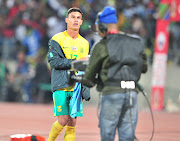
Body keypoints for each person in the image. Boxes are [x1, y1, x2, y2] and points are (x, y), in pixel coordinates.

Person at [73, 6, 148, 141]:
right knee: (128, 136)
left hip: (112, 94)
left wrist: (75, 77)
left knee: (107, 135)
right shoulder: (136, 42)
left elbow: (89, 78)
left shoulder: (101, 46)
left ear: (102, 27)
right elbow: (144, 68)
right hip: (132, 94)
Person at [47, 7, 90, 141]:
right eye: (72, 17)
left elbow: (85, 68)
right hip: (61, 84)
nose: (75, 20)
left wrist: (86, 88)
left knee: (72, 122)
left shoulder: (84, 43)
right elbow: (54, 62)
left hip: (76, 86)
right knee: (64, 119)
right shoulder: (57, 39)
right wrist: (77, 61)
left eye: (78, 18)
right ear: (67, 20)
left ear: (81, 21)